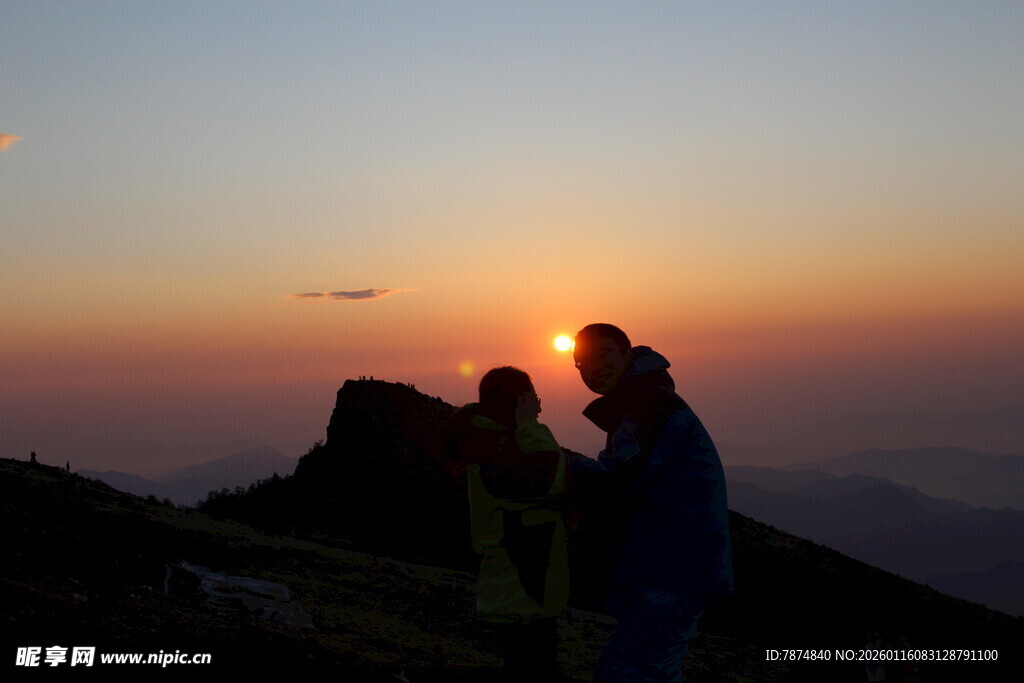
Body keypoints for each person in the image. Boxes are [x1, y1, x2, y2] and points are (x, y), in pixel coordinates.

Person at [571, 323, 734, 683]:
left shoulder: (651, 406)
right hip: (674, 563)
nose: (593, 368)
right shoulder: (644, 402)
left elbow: (618, 478)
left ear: (627, 353)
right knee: (650, 670)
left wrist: (554, 465)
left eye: (603, 354)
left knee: (627, 672)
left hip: (673, 566)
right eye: (582, 363)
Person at [444, 366, 569, 681]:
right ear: (521, 400)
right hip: (522, 590)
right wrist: (528, 424)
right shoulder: (496, 447)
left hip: (515, 589)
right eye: (534, 400)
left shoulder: (488, 442)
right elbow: (545, 478)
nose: (539, 408)